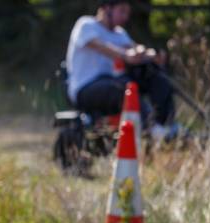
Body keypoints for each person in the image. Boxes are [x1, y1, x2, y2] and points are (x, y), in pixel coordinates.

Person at [66, 0, 177, 139]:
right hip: (85, 88)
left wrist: (153, 55)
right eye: (122, 11)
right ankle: (151, 128)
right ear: (107, 8)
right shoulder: (86, 25)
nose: (125, 17)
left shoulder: (119, 33)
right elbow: (100, 46)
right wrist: (125, 55)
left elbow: (134, 49)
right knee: (126, 89)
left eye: (127, 13)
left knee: (158, 79)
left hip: (111, 83)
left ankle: (167, 124)